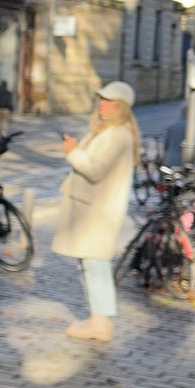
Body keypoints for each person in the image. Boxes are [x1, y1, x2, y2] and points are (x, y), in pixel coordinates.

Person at [52, 80, 139, 343]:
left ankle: (100, 323)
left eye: (109, 101)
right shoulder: (107, 131)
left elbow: (95, 170)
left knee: (95, 265)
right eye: (101, 99)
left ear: (121, 107)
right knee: (90, 263)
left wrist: (73, 153)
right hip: (93, 209)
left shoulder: (117, 134)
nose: (102, 104)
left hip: (98, 213)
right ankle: (97, 319)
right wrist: (78, 149)